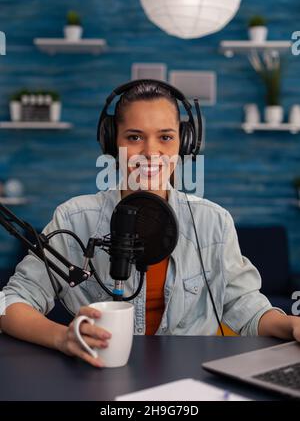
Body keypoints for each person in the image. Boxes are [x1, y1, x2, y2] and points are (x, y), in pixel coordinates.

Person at [0, 80, 299, 368]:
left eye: (165, 137)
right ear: (111, 141)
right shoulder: (74, 219)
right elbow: (11, 301)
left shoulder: (213, 222)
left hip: (191, 379)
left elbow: (245, 307)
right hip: (101, 377)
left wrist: (290, 325)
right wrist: (63, 336)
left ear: (185, 143)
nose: (150, 152)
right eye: (134, 137)